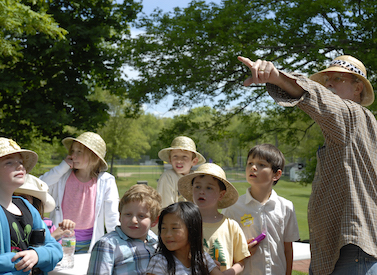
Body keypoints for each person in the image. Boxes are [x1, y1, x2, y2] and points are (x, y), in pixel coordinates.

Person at [238, 55, 377, 275]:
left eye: (337, 78)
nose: (329, 83)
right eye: (326, 79)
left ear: (358, 87)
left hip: (350, 254)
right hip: (348, 252)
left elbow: (318, 98)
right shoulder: (365, 127)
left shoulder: (351, 116)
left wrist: (277, 78)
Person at [223, 144, 300, 275]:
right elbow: (225, 246)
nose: (253, 167)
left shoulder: (286, 207)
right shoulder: (233, 207)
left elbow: (288, 249)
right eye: (250, 163)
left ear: (276, 174)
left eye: (261, 165)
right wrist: (241, 251)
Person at [40, 132, 120, 253]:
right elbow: (41, 186)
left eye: (79, 152)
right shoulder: (62, 177)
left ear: (95, 157)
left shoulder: (106, 181)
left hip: (90, 242)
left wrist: (117, 244)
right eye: (73, 151)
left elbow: (112, 217)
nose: (73, 156)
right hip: (61, 239)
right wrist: (62, 167)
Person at [0, 137, 62, 274]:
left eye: (21, 162)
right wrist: (22, 259)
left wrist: (37, 255)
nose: (20, 166)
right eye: (9, 162)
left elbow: (55, 249)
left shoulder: (26, 207)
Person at [178, 163, 250, 274]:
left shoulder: (231, 226)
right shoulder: (185, 223)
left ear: (221, 195)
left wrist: (229, 273)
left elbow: (240, 262)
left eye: (209, 188)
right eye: (197, 186)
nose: (202, 191)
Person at [87, 184, 162, 274]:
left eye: (141, 216)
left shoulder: (156, 242)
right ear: (120, 216)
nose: (134, 220)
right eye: (128, 214)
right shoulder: (108, 245)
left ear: (154, 221)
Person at [146, 201, 222, 275]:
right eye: (163, 228)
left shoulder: (203, 258)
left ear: (192, 230)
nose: (168, 235)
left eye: (174, 228)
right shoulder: (160, 262)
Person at [14, 174, 76, 241]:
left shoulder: (47, 224)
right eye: (13, 198)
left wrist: (66, 232)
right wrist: (52, 237)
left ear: (35, 202)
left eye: (24, 198)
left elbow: (56, 249)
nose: (18, 202)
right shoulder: (8, 224)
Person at [157, 136, 206, 208]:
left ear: (194, 161)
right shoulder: (169, 176)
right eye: (175, 156)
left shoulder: (196, 178)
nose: (179, 160)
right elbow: (166, 206)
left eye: (184, 156)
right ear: (170, 159)